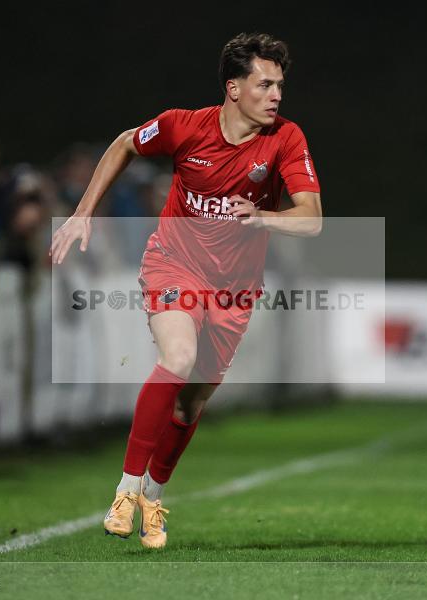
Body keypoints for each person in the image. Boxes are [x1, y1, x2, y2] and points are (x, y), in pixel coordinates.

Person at [49, 32, 322, 548]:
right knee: (178, 357)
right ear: (234, 88)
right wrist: (83, 212)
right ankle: (126, 491)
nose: (276, 95)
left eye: (280, 86)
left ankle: (152, 498)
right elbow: (125, 143)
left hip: (235, 290)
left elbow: (311, 218)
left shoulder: (286, 138)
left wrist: (263, 216)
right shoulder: (184, 126)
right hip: (174, 264)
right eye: (265, 84)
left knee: (190, 404)